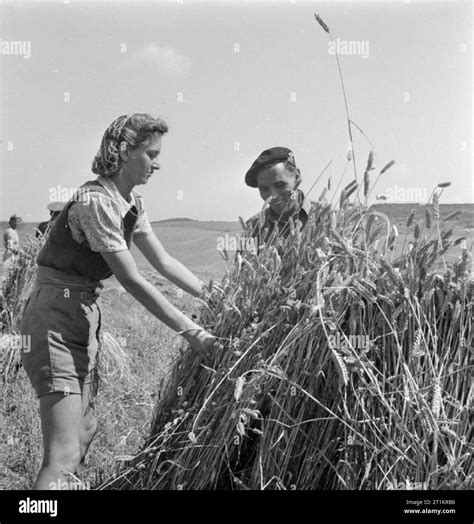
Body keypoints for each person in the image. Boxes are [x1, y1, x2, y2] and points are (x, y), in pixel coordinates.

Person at [20, 113, 220, 490]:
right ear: (123, 151)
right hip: (54, 317)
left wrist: (217, 297)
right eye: (150, 153)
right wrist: (192, 330)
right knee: (61, 455)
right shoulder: (96, 201)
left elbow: (164, 261)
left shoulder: (130, 202)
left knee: (85, 430)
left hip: (82, 314)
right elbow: (131, 278)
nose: (157, 163)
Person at [244, 147, 313, 246]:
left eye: (280, 185)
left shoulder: (326, 218)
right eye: (264, 189)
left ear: (297, 177)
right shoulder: (253, 228)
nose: (273, 195)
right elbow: (243, 261)